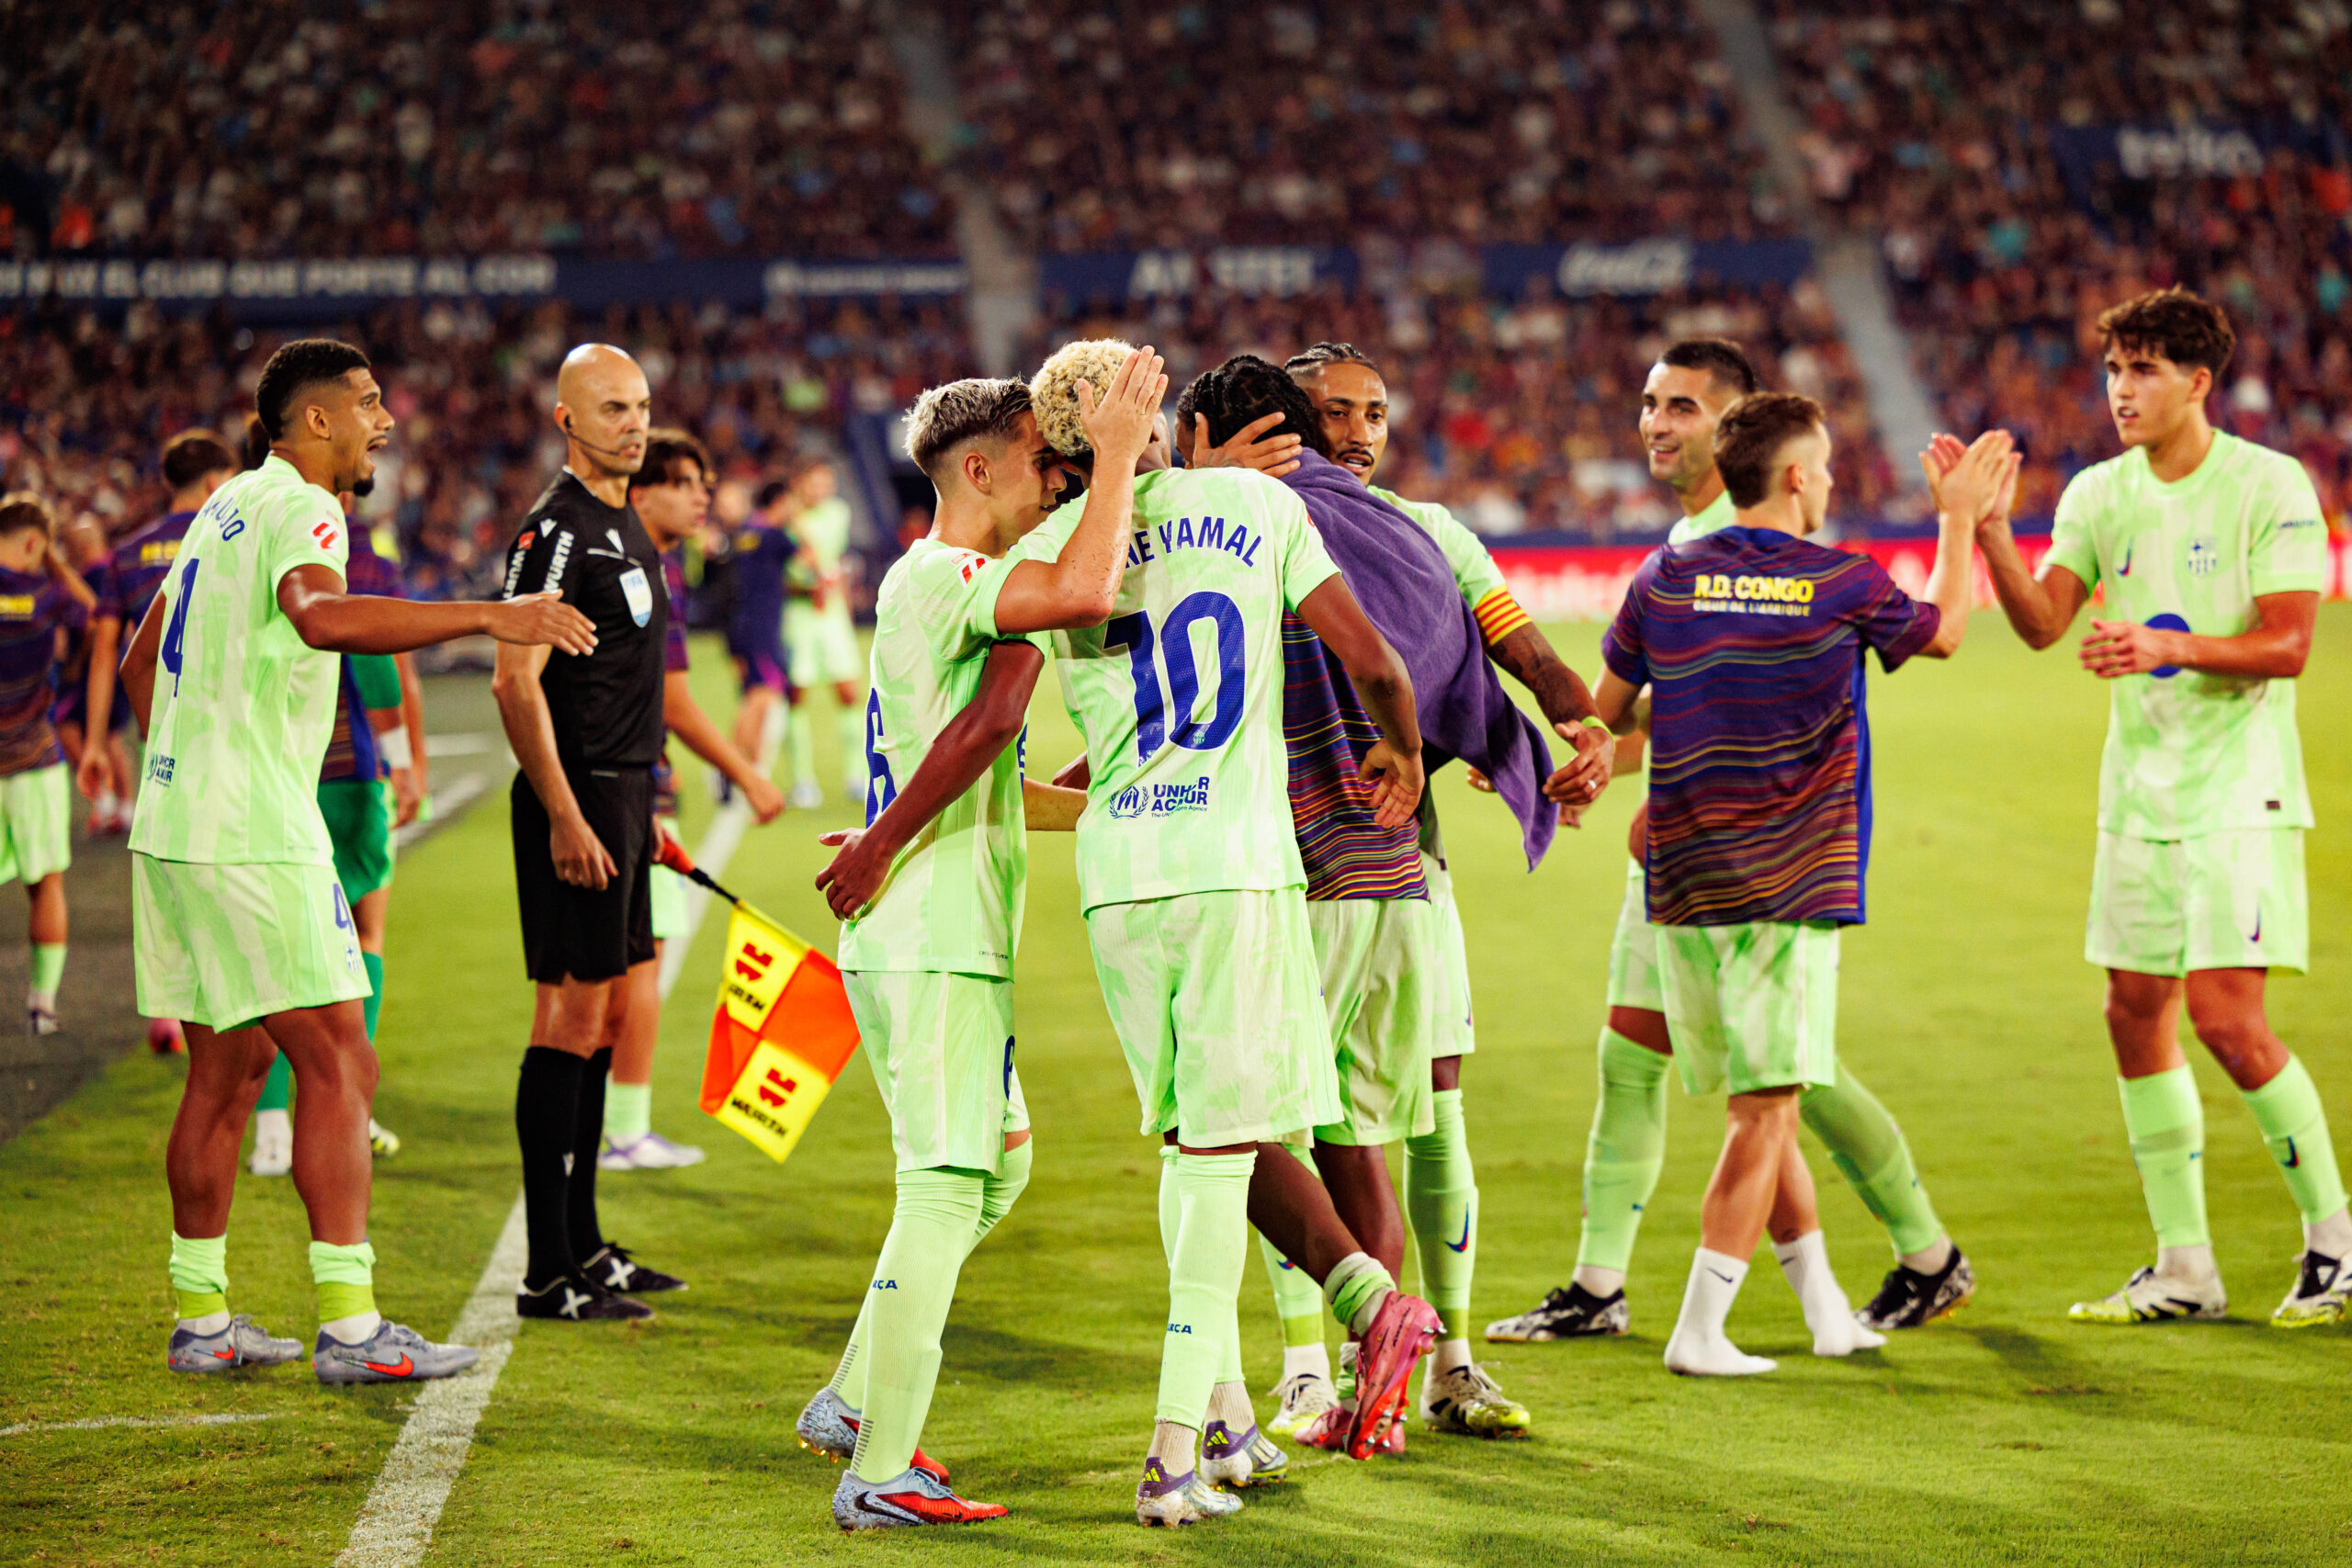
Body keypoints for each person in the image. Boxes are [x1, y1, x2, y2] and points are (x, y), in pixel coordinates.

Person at [1486, 339, 1977, 1341]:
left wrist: (1617, 768)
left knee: (1786, 1079)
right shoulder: (1683, 551)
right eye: (1650, 403)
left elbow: (1707, 712)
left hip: (1733, 853)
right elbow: (1648, 715)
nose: (1656, 424)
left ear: (1739, 426)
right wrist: (1565, 762)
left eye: (1683, 407)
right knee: (1645, 1057)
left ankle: (1919, 1251)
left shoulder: (1738, 552)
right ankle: (1606, 1284)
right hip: (1685, 852)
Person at [1023, 340, 1436, 1523]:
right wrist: (1401, 751)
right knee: (1218, 1157)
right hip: (1238, 869)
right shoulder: (1259, 508)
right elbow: (1374, 661)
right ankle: (1180, 1447)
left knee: (1186, 1146)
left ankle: (1226, 1416)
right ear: (1154, 415)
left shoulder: (1054, 547)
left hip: (1119, 877)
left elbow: (1017, 726)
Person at [129, 336, 593, 1383]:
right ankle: (351, 1327)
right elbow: (318, 614)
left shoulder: (221, 507)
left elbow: (137, 657)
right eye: (370, 403)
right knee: (342, 1060)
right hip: (253, 828)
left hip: (176, 822)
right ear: (317, 419)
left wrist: (187, 764)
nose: (384, 422)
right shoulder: (305, 504)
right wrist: (491, 613)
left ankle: (202, 1318)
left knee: (227, 1069)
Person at [1182, 352, 1610, 1445]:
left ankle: (1441, 1362)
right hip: (1320, 850)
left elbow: (1525, 650)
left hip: (1386, 855)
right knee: (1318, 1118)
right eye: (1336, 411)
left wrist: (1577, 723)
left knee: (1409, 1105)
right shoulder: (1258, 515)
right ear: (1288, 421)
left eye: (1375, 411)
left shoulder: (1423, 531)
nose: (1360, 430)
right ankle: (1309, 1373)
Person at [792, 364, 1159, 1529]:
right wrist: (1118, 453)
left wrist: (1137, 799)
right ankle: (878, 1472)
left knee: (996, 1166)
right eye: (1042, 460)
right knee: (946, 1185)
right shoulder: (946, 574)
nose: (1057, 478)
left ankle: (854, 1399)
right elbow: (1067, 616)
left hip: (938, 921)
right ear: (981, 468)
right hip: (929, 931)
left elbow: (993, 773)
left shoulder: (947, 586)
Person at [1591, 392, 2007, 1375]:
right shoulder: (1839, 581)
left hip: (1679, 884)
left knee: (1761, 1098)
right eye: (1821, 467)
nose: (1827, 482)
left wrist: (1552, 767)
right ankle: (1701, 1331)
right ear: (1793, 477)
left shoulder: (1663, 576)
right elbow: (1946, 628)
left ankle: (1825, 1309)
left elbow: (1604, 715)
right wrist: (1956, 517)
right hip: (1788, 881)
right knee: (1766, 1110)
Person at [1972, 288, 2351, 1328]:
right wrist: (1994, 534)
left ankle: (2336, 1244)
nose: (2120, 390)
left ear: (2198, 381)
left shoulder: (2268, 484)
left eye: (2142, 370)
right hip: (2137, 794)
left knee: (2227, 1020)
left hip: (2238, 790)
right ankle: (2185, 1268)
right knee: (2132, 1012)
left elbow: (2289, 645)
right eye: (2112, 370)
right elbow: (2043, 622)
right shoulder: (2098, 493)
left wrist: (2162, 644)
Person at [494, 344, 695, 1322]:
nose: (634, 421)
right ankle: (547, 1270)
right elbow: (513, 680)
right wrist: (568, 813)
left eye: (641, 404)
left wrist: (641, 808)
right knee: (569, 1022)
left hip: (621, 801)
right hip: (576, 801)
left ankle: (583, 1244)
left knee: (606, 1018)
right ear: (567, 420)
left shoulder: (624, 523)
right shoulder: (557, 531)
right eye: (613, 407)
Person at [600, 429, 784, 1173]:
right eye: (684, 482)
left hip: (615, 782)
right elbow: (672, 700)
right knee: (640, 963)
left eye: (704, 482)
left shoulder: (626, 561)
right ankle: (624, 1129)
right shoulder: (648, 570)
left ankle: (610, 1127)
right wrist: (750, 775)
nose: (702, 495)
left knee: (609, 971)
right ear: (642, 491)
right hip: (635, 787)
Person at [251, 495, 417, 1177]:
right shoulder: (347, 549)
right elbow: (380, 670)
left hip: (264, 778)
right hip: (344, 774)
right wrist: (403, 762)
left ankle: (270, 1128)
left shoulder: (238, 538)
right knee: (361, 936)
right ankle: (351, 1107)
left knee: (271, 953)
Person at [86, 429, 240, 1055]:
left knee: (170, 876)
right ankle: (230, 1012)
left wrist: (96, 740)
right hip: (227, 734)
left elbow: (108, 655)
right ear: (215, 482)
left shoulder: (125, 555)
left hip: (163, 738)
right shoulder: (230, 535)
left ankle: (172, 1014)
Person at [0, 496, 94, 1034]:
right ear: (36, 543)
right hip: (35, 758)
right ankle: (42, 1005)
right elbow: (97, 617)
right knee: (46, 884)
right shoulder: (50, 594)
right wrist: (56, 566)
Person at [783, 461, 866, 808]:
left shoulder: (837, 513)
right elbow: (784, 571)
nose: (820, 490)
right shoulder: (786, 516)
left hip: (830, 615)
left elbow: (833, 562)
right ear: (799, 483)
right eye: (813, 482)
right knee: (796, 696)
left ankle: (856, 777)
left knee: (848, 692)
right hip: (798, 615)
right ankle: (803, 781)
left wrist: (842, 607)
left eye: (825, 483)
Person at [723, 480, 797, 795]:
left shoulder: (746, 533)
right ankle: (735, 769)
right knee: (763, 696)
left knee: (754, 695)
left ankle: (738, 770)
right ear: (780, 501)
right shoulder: (774, 536)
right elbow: (810, 560)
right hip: (763, 629)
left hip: (740, 625)